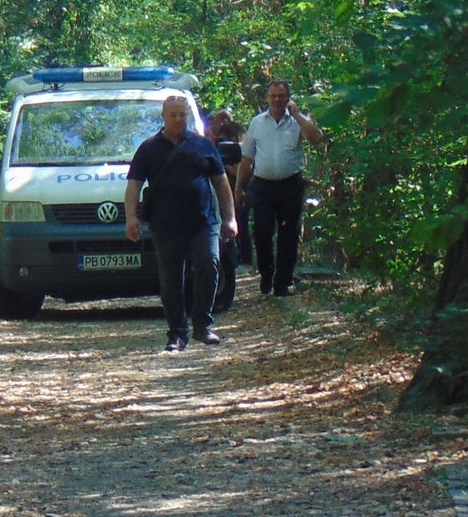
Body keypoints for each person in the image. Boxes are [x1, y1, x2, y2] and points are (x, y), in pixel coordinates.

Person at [124, 95, 237, 353]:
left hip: (203, 222)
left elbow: (221, 183)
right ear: (163, 116)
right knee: (171, 280)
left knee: (209, 265)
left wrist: (229, 218)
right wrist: (132, 217)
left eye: (182, 115)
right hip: (165, 226)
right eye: (173, 114)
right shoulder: (148, 149)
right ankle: (176, 334)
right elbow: (133, 187)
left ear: (188, 116)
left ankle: (202, 325)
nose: (178, 119)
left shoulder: (203, 146)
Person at [234, 80, 324, 300]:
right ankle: (267, 274)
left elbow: (316, 138)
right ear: (267, 98)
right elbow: (247, 158)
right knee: (262, 232)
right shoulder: (257, 123)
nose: (276, 100)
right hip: (263, 186)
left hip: (290, 185)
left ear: (287, 98)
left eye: (281, 96)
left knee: (289, 234)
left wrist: (298, 115)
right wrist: (239, 188)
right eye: (272, 96)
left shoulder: (298, 122)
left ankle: (282, 283)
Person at [208, 110, 249, 311]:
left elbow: (242, 165)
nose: (213, 124)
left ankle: (244, 258)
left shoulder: (234, 138)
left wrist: (236, 182)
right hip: (225, 190)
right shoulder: (209, 140)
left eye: (215, 121)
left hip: (234, 189)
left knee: (239, 224)